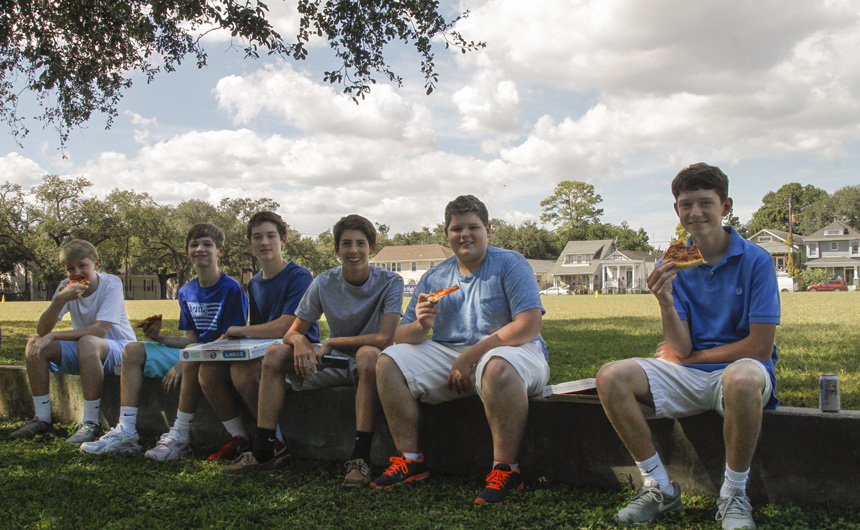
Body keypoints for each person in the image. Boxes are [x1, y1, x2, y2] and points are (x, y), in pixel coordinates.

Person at [596, 163, 780, 530]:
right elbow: (680, 347)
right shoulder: (673, 263)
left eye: (705, 203)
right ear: (676, 209)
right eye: (686, 204)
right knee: (611, 376)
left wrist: (692, 359)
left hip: (742, 372)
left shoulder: (756, 260)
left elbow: (759, 348)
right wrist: (664, 301)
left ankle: (733, 494)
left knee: (741, 378)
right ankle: (659, 487)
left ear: (725, 206)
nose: (695, 213)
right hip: (690, 372)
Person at [370, 195, 550, 504]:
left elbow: (528, 325)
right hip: (450, 353)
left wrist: (470, 356)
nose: (464, 235)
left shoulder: (509, 263)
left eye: (473, 227)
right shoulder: (435, 277)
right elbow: (401, 334)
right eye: (456, 229)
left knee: (496, 366)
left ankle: (506, 469)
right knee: (388, 362)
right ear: (446, 234)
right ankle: (410, 459)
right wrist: (422, 326)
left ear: (488, 230)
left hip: (514, 352)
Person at [220, 214, 403, 489]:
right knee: (275, 354)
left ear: (372, 248)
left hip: (372, 363)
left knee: (367, 355)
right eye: (346, 244)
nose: (353, 250)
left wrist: (334, 342)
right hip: (335, 361)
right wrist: (300, 341)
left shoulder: (391, 282)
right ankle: (265, 449)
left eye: (360, 243)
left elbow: (385, 338)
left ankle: (360, 459)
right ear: (336, 249)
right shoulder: (324, 282)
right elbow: (293, 330)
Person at [80, 223, 248, 460]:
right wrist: (159, 337)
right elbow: (191, 338)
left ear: (220, 251)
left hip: (219, 355)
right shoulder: (186, 291)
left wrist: (186, 359)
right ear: (187, 251)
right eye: (194, 245)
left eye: (207, 245)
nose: (199, 249)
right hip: (194, 352)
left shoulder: (231, 289)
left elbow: (230, 336)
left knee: (192, 351)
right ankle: (126, 431)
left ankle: (180, 436)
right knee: (133, 350)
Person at [197, 212, 317, 461]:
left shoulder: (299, 276)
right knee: (208, 369)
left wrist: (239, 330)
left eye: (271, 236)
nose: (264, 242)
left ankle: (274, 442)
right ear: (250, 243)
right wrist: (230, 340)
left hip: (297, 350)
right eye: (257, 237)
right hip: (267, 349)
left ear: (283, 240)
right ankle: (238, 437)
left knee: (243, 370)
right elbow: (261, 328)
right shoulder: (254, 283)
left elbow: (288, 326)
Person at [11, 240, 136, 443]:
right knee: (35, 343)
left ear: (96, 264)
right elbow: (43, 330)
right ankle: (42, 419)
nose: (77, 273)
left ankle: (91, 423)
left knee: (87, 341)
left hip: (121, 349)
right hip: (86, 351)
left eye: (82, 266)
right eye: (70, 268)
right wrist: (60, 300)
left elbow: (100, 330)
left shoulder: (111, 283)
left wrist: (54, 336)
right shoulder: (65, 287)